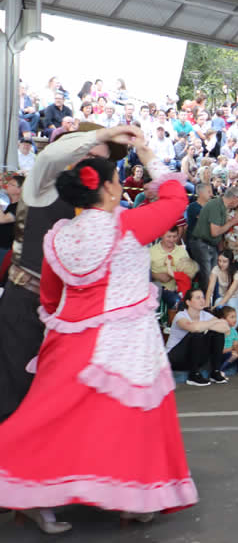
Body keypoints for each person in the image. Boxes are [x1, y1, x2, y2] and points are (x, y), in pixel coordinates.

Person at [0, 144, 198, 533]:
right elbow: (176, 198)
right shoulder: (128, 225)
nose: (120, 186)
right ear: (108, 190)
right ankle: (134, 499)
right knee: (128, 421)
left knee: (51, 421)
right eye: (115, 181)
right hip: (123, 340)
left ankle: (39, 497)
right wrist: (147, 154)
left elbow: (50, 295)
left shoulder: (59, 236)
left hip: (68, 339)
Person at [0, 123, 134, 422]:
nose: (94, 166)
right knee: (15, 390)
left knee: (62, 397)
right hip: (26, 301)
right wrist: (103, 134)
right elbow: (50, 157)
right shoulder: (43, 184)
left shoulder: (99, 207)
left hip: (71, 313)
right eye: (88, 155)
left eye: (102, 160)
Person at [168, 287, 229, 385]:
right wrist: (215, 322)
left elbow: (226, 328)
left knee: (217, 334)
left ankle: (215, 372)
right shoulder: (180, 316)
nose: (202, 300)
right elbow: (194, 328)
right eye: (198, 298)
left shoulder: (205, 315)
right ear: (188, 302)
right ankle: (193, 375)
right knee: (197, 334)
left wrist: (206, 325)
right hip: (175, 359)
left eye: (203, 297)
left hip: (194, 358)